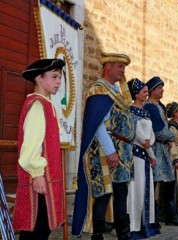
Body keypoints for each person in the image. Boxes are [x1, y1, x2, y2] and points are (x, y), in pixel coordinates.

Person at [72, 53, 134, 240]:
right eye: (120, 66)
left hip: (123, 150)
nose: (123, 70)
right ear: (108, 67)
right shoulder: (98, 90)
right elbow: (97, 125)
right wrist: (111, 151)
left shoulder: (115, 91)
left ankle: (123, 234)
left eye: (124, 67)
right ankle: (97, 236)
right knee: (104, 194)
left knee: (121, 192)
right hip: (105, 151)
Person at [12, 59, 65, 239]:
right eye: (54, 76)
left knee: (42, 227)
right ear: (39, 79)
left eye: (60, 77)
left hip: (46, 178)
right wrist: (37, 173)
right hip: (40, 178)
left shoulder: (46, 104)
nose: (59, 81)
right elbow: (31, 144)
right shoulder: (37, 105)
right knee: (36, 227)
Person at [144, 76, 178, 227]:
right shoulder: (149, 106)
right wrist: (171, 137)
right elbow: (158, 130)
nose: (162, 90)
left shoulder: (160, 106)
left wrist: (169, 138)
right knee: (154, 182)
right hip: (156, 148)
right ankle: (152, 217)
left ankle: (170, 215)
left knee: (169, 181)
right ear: (152, 90)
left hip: (163, 148)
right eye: (160, 88)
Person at [126, 78, 160, 239]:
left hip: (146, 153)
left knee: (147, 187)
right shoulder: (130, 111)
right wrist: (147, 148)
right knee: (136, 187)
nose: (147, 94)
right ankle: (134, 225)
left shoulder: (145, 112)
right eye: (145, 91)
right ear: (137, 94)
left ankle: (147, 222)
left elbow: (150, 133)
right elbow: (136, 133)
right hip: (137, 154)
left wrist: (150, 144)